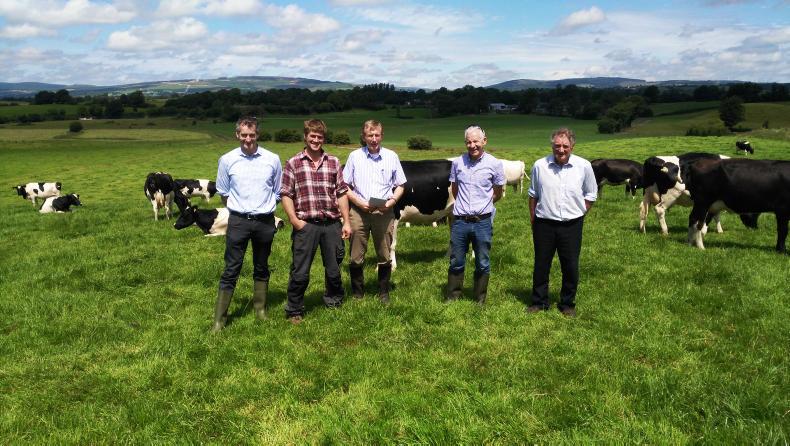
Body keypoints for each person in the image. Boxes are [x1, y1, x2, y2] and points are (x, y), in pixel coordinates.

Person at [212, 116, 282, 332]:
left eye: (252, 135)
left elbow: (278, 192)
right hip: (239, 221)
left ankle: (260, 310)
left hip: (264, 222)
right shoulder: (227, 160)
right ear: (237, 135)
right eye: (244, 135)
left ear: (258, 135)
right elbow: (224, 193)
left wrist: (262, 207)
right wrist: (240, 208)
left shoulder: (272, 159)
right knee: (231, 269)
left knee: (262, 267)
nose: (248, 139)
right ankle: (219, 320)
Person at [280, 119, 352, 324]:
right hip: (306, 225)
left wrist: (346, 221)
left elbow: (341, 193)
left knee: (334, 269)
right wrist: (294, 220)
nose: (316, 140)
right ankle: (294, 309)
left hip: (331, 224)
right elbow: (286, 194)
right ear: (305, 136)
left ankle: (334, 302)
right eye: (312, 136)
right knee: (300, 270)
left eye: (319, 137)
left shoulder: (334, 162)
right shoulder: (293, 163)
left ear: (323, 139)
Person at [527, 127, 597, 317]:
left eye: (565, 146)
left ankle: (567, 304)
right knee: (541, 263)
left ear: (572, 146)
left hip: (572, 224)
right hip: (544, 224)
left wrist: (581, 212)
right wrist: (534, 219)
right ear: (552, 146)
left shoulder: (583, 166)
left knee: (570, 264)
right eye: (557, 146)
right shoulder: (540, 166)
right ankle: (539, 301)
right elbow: (533, 195)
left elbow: (591, 194)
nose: (561, 150)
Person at [343, 120, 407, 303]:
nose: (373, 139)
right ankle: (357, 292)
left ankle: (383, 292)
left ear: (382, 136)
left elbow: (401, 184)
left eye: (377, 135)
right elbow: (344, 185)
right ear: (364, 137)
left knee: (384, 252)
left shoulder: (391, 156)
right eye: (369, 135)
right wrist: (358, 202)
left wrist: (392, 201)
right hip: (358, 212)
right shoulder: (354, 156)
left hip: (383, 211)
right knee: (356, 255)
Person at [446, 125, 505, 304]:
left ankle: (480, 299)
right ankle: (453, 296)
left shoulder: (494, 164)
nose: (472, 145)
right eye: (468, 142)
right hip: (460, 221)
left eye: (476, 141)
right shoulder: (457, 163)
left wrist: (483, 205)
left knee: (482, 261)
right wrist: (465, 207)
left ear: (484, 141)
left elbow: (498, 192)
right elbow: (455, 189)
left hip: (483, 221)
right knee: (456, 259)